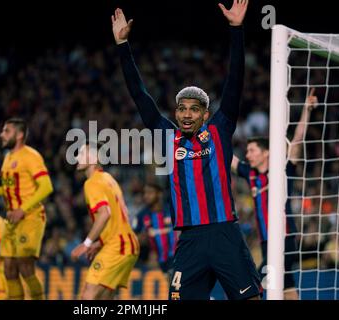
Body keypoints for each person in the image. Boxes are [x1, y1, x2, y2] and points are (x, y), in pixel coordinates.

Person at [112, 0, 262, 300]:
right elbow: (140, 95)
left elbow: (235, 81)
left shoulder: (220, 129)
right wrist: (122, 45)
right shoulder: (167, 136)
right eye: (181, 109)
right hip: (189, 240)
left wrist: (236, 30)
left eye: (194, 109)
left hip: (224, 234)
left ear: (206, 114)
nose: (187, 114)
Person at [231, 89, 319, 300]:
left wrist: (306, 112)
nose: (248, 155)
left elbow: (297, 142)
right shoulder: (250, 174)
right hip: (265, 241)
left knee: (251, 284)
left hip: (285, 239)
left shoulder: (283, 171)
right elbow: (228, 158)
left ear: (266, 152)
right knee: (287, 288)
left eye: (252, 150)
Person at [0, 118, 53, 300]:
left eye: (6, 131)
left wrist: (22, 210)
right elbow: (9, 189)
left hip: (30, 218)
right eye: (3, 130)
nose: (2, 134)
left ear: (19, 135)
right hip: (12, 221)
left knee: (25, 267)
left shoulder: (31, 156)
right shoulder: (8, 159)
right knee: (9, 269)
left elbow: (46, 186)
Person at [71, 143, 139, 300]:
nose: (76, 157)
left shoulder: (92, 182)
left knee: (88, 297)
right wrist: (99, 243)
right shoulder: (108, 179)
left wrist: (86, 243)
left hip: (117, 247)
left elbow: (105, 214)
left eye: (82, 153)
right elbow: (121, 216)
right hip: (128, 245)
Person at [133, 183, 177, 275]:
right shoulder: (141, 216)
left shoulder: (172, 210)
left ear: (159, 194)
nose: (146, 196)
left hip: (177, 257)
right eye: (144, 193)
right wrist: (143, 239)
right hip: (158, 262)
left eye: (150, 193)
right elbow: (134, 238)